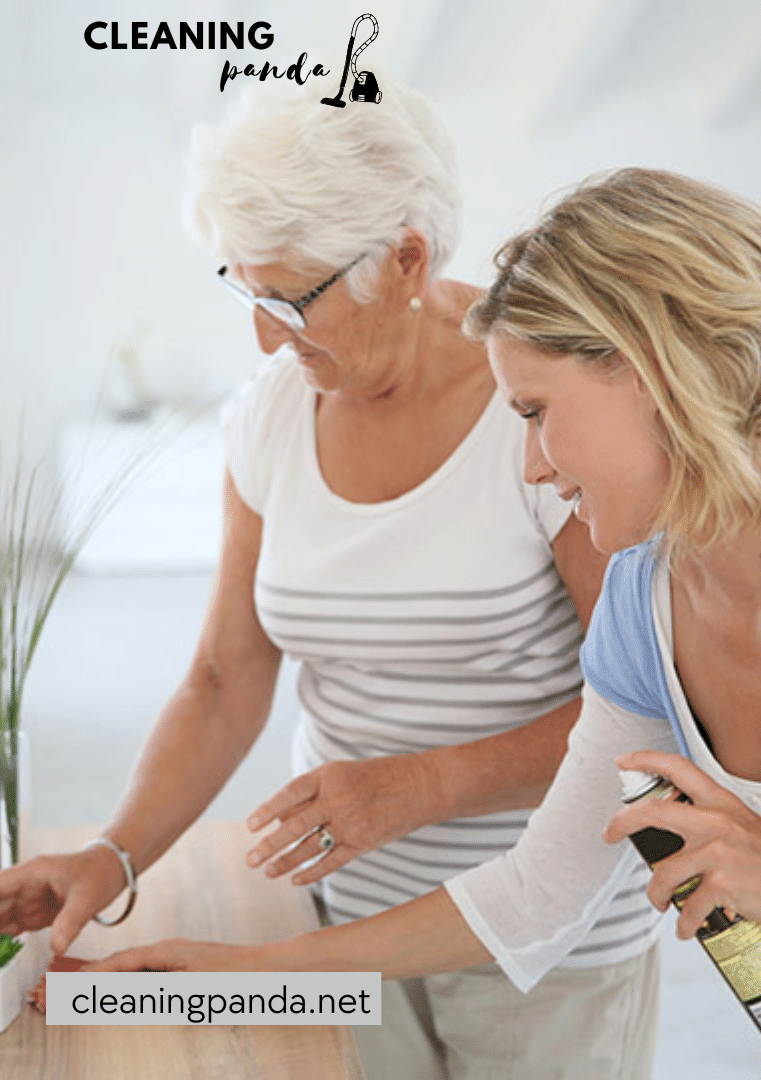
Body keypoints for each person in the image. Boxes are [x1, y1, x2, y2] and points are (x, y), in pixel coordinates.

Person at [0, 82, 656, 1077]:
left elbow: (635, 712)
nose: (265, 337)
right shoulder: (272, 415)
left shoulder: (540, 420)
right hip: (344, 914)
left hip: (552, 940)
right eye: (246, 293)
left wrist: (423, 785)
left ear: (405, 260)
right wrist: (112, 855)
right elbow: (223, 676)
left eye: (288, 298)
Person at [90, 167, 761, 1077]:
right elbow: (534, 893)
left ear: (645, 372)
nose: (530, 465)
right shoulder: (644, 611)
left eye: (535, 413)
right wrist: (251, 973)